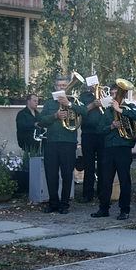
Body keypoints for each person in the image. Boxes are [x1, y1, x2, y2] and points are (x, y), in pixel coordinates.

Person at [37, 76, 87, 214]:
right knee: (51, 174)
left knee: (67, 174)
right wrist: (55, 116)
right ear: (55, 87)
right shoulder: (49, 104)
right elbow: (40, 121)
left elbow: (85, 112)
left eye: (64, 85)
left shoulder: (74, 101)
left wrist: (69, 105)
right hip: (51, 142)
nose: (62, 87)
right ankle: (53, 203)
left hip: (68, 143)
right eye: (59, 85)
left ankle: (64, 204)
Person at [91, 82, 136, 220]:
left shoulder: (129, 107)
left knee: (124, 180)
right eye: (112, 94)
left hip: (123, 148)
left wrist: (120, 110)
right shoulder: (107, 111)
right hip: (108, 149)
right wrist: (111, 126)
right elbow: (99, 130)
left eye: (116, 94)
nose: (114, 96)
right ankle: (103, 208)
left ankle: (124, 210)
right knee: (105, 179)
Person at [78, 83, 104, 203]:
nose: (94, 86)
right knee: (88, 165)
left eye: (96, 84)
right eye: (92, 84)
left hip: (102, 134)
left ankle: (102, 193)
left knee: (103, 165)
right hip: (88, 134)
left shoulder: (104, 95)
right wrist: (93, 104)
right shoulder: (83, 97)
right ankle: (87, 194)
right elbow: (80, 112)